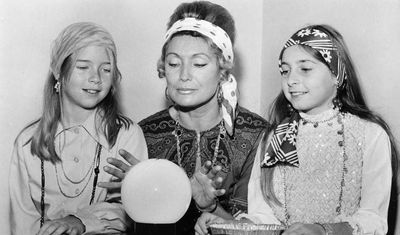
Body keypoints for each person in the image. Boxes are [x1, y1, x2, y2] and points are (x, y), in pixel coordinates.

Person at [195, 24, 398, 235]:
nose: (291, 80)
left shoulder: (370, 135)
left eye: (305, 68)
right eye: (285, 70)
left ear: (336, 74)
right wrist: (232, 225)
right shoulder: (274, 138)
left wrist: (323, 230)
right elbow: (264, 216)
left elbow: (374, 220)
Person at [101, 1, 269, 235]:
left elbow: (260, 229)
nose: (183, 75)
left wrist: (211, 207)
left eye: (199, 63)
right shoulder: (145, 134)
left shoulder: (255, 135)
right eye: (173, 63)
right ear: (163, 68)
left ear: (223, 70)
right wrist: (140, 191)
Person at [9, 22, 148, 235]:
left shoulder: (127, 135)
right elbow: (22, 222)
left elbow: (131, 210)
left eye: (106, 69)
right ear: (58, 71)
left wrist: (81, 221)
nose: (96, 78)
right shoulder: (28, 142)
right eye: (83, 67)